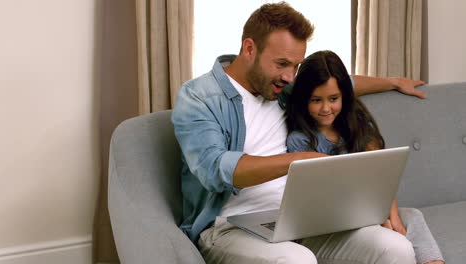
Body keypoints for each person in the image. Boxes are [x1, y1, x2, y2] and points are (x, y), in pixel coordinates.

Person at [172, 2, 427, 263]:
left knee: (395, 247)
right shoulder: (199, 97)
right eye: (282, 63)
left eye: (296, 66)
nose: (290, 76)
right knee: (296, 260)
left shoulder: (283, 87)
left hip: (299, 219)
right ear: (249, 49)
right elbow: (214, 169)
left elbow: (339, 83)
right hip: (228, 228)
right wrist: (299, 161)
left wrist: (393, 82)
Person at [286, 50, 444, 264]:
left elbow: (381, 175)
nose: (325, 108)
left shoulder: (357, 125)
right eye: (316, 100)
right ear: (304, 99)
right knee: (386, 234)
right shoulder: (300, 140)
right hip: (326, 228)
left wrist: (392, 217)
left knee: (412, 216)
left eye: (333, 99)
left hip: (365, 214)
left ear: (344, 95)